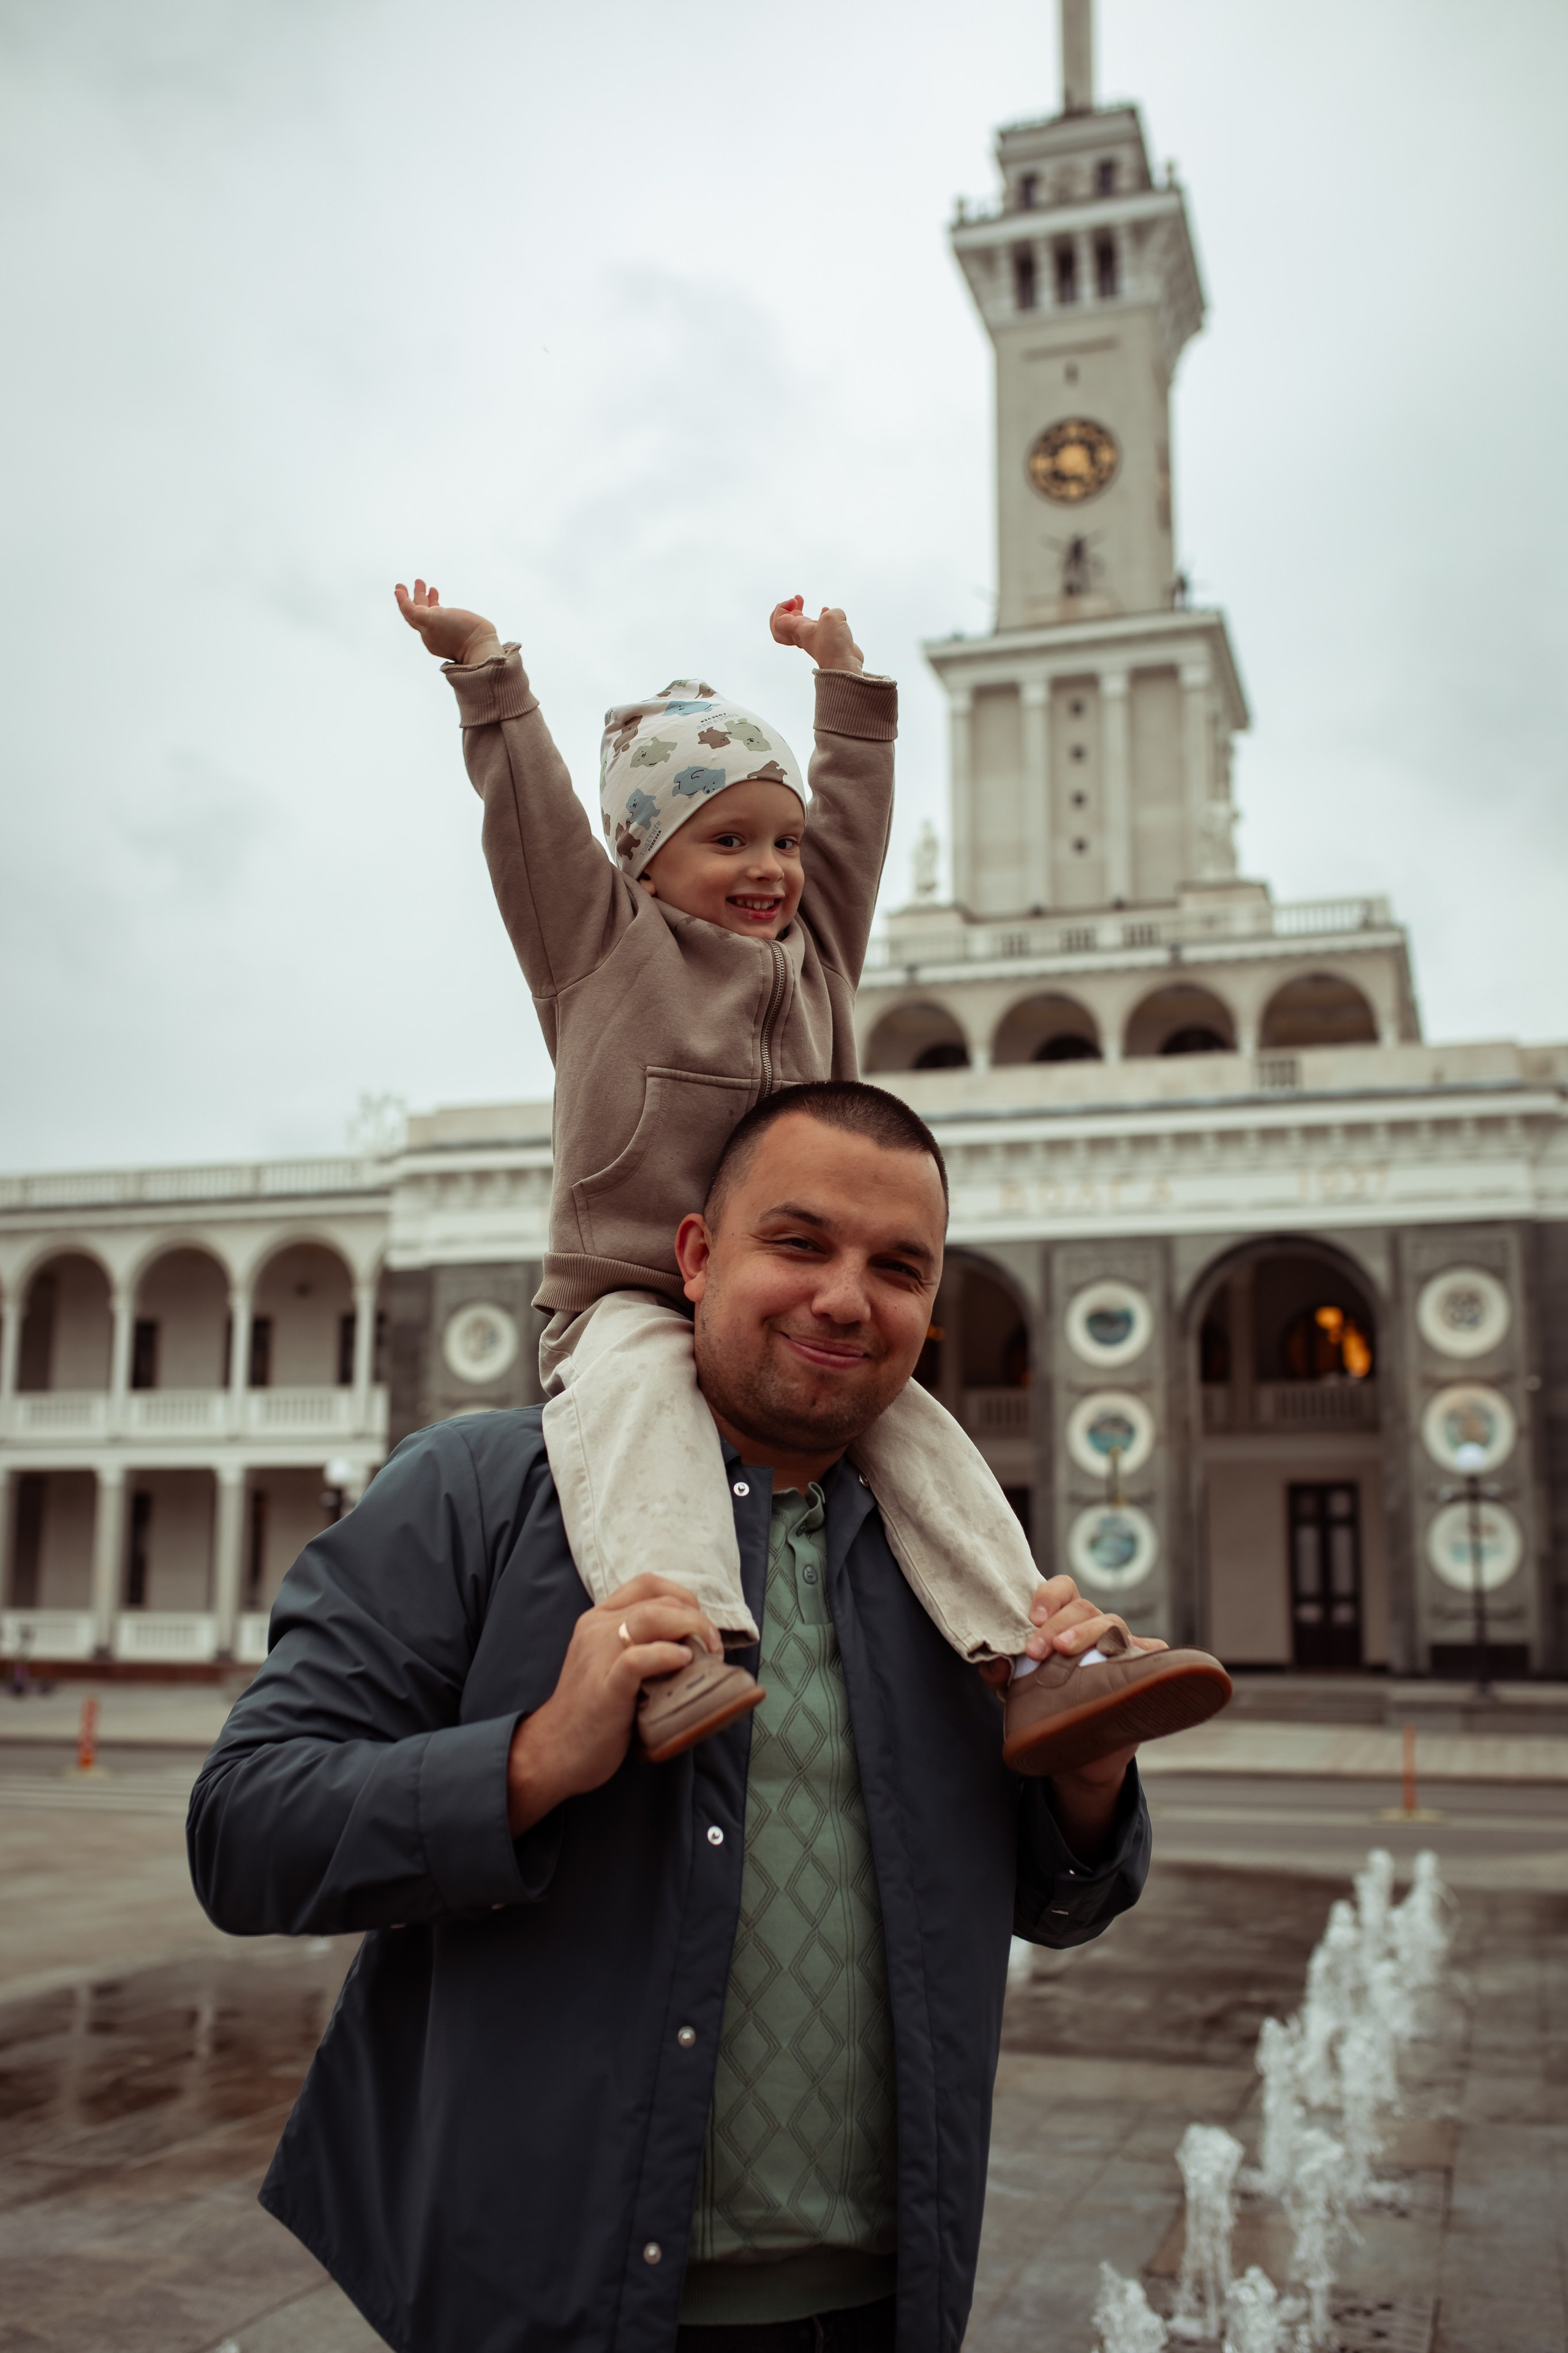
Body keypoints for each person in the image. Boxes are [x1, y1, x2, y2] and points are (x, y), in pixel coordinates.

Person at [189, 1088, 1155, 2353]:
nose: (845, 1298)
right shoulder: (476, 1496)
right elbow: (244, 1832)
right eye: (798, 1244)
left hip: (879, 2298)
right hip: (544, 2301)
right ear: (696, 1257)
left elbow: (1055, 1905)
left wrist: (1084, 1784)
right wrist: (531, 1761)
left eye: (896, 1267)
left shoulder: (961, 1577)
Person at [392, 580, 1229, 1773]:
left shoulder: (816, 953)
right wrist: (486, 675)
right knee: (635, 1413)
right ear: (643, 855)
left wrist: (845, 685)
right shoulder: (600, 945)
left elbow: (855, 824)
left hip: (784, 1315)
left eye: (781, 841)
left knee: (923, 1438)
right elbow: (532, 821)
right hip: (627, 1292)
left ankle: (1034, 1666)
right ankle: (682, 1654)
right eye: (727, 839)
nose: (770, 868)